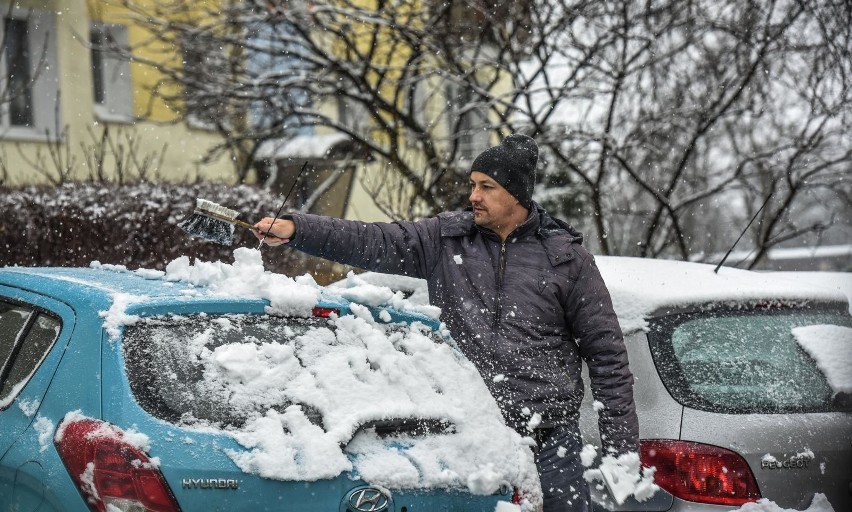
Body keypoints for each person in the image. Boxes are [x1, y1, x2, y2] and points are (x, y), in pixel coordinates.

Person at [254, 134, 639, 511]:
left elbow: (608, 359)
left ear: (517, 195)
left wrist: (622, 455)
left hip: (551, 439)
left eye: (486, 187)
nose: (473, 196)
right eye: (473, 185)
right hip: (469, 435)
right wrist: (297, 229)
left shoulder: (566, 260)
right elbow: (371, 239)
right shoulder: (446, 240)